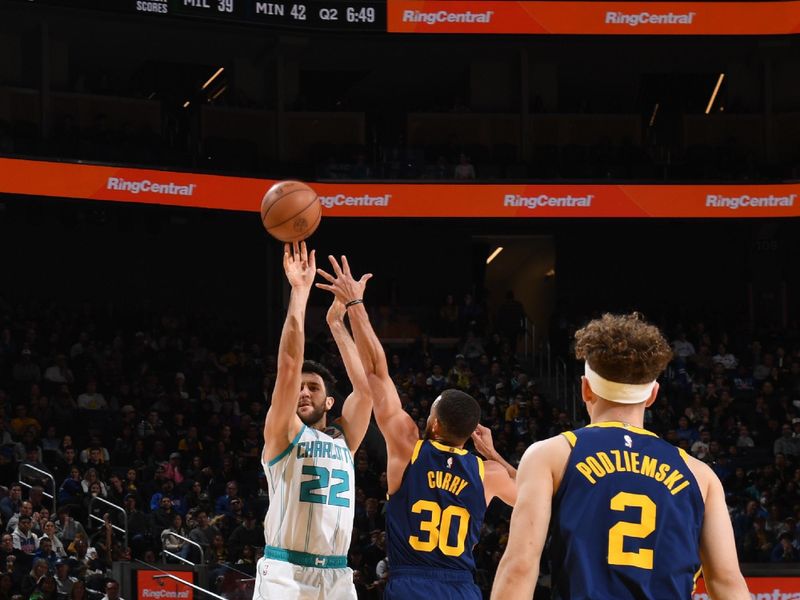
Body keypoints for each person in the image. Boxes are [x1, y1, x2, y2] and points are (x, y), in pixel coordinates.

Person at [490, 313, 750, 600]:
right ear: (652, 395)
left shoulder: (551, 455)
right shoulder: (700, 475)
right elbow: (727, 582)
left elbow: (520, 567)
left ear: (585, 389)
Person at [316, 255, 516, 600]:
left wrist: (355, 304)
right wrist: (494, 452)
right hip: (462, 587)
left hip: (411, 582)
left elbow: (377, 372)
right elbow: (534, 497)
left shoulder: (409, 446)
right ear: (470, 434)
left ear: (434, 423)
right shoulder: (490, 473)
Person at [254, 242, 373, 600]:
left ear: (329, 400)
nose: (303, 392)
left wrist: (337, 322)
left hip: (337, 575)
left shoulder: (343, 439)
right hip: (286, 573)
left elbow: (366, 390)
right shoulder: (283, 433)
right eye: (299, 388)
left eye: (313, 387)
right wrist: (299, 292)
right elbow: (289, 363)